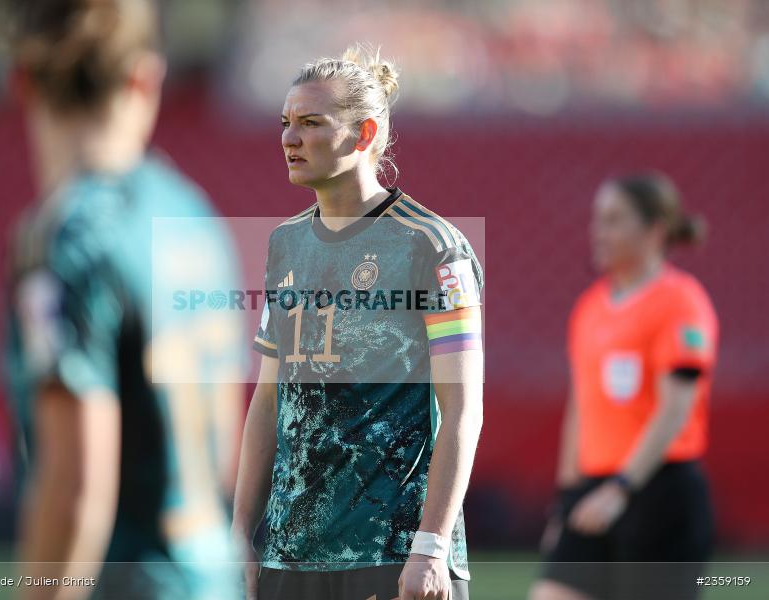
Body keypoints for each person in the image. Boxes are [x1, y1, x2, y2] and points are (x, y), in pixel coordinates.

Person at [1, 1, 243, 598]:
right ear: (145, 76)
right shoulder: (195, 216)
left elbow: (75, 486)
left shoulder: (68, 239)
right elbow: (227, 453)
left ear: (23, 81)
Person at [232, 45, 484, 600]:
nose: (289, 139)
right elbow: (268, 399)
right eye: (285, 123)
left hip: (394, 556)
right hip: (290, 557)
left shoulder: (434, 246)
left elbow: (463, 408)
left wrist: (431, 547)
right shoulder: (284, 244)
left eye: (310, 123)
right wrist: (240, 533)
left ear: (364, 134)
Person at [530, 173, 719, 600]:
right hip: (592, 491)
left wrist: (622, 489)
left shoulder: (681, 301)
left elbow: (676, 409)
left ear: (654, 230)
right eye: (598, 219)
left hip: (657, 492)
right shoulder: (590, 306)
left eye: (614, 220)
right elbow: (581, 405)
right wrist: (565, 501)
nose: (599, 232)